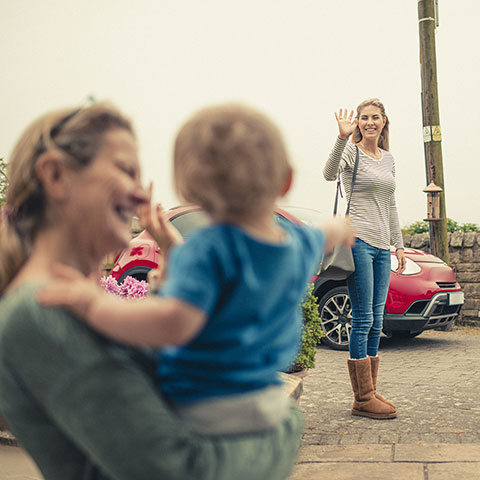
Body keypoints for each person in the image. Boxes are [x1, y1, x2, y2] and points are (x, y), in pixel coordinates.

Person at [0, 101, 306, 480]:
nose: (141, 196)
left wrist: (178, 260)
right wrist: (287, 423)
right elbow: (182, 472)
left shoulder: (65, 300)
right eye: (126, 171)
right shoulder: (39, 311)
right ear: (57, 175)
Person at [38, 103, 355, 439]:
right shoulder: (297, 243)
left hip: (203, 407)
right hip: (263, 402)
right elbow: (326, 233)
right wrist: (339, 227)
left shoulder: (206, 249)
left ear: (187, 189)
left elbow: (173, 322)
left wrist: (94, 305)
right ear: (286, 180)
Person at [323, 98, 406, 420]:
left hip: (383, 246)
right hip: (358, 241)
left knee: (376, 318)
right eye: (363, 118)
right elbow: (329, 174)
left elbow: (392, 204)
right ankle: (362, 397)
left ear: (384, 121)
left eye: (375, 117)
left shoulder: (388, 159)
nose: (369, 122)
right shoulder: (351, 151)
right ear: (357, 122)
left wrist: (398, 245)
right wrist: (342, 137)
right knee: (362, 319)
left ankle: (369, 389)